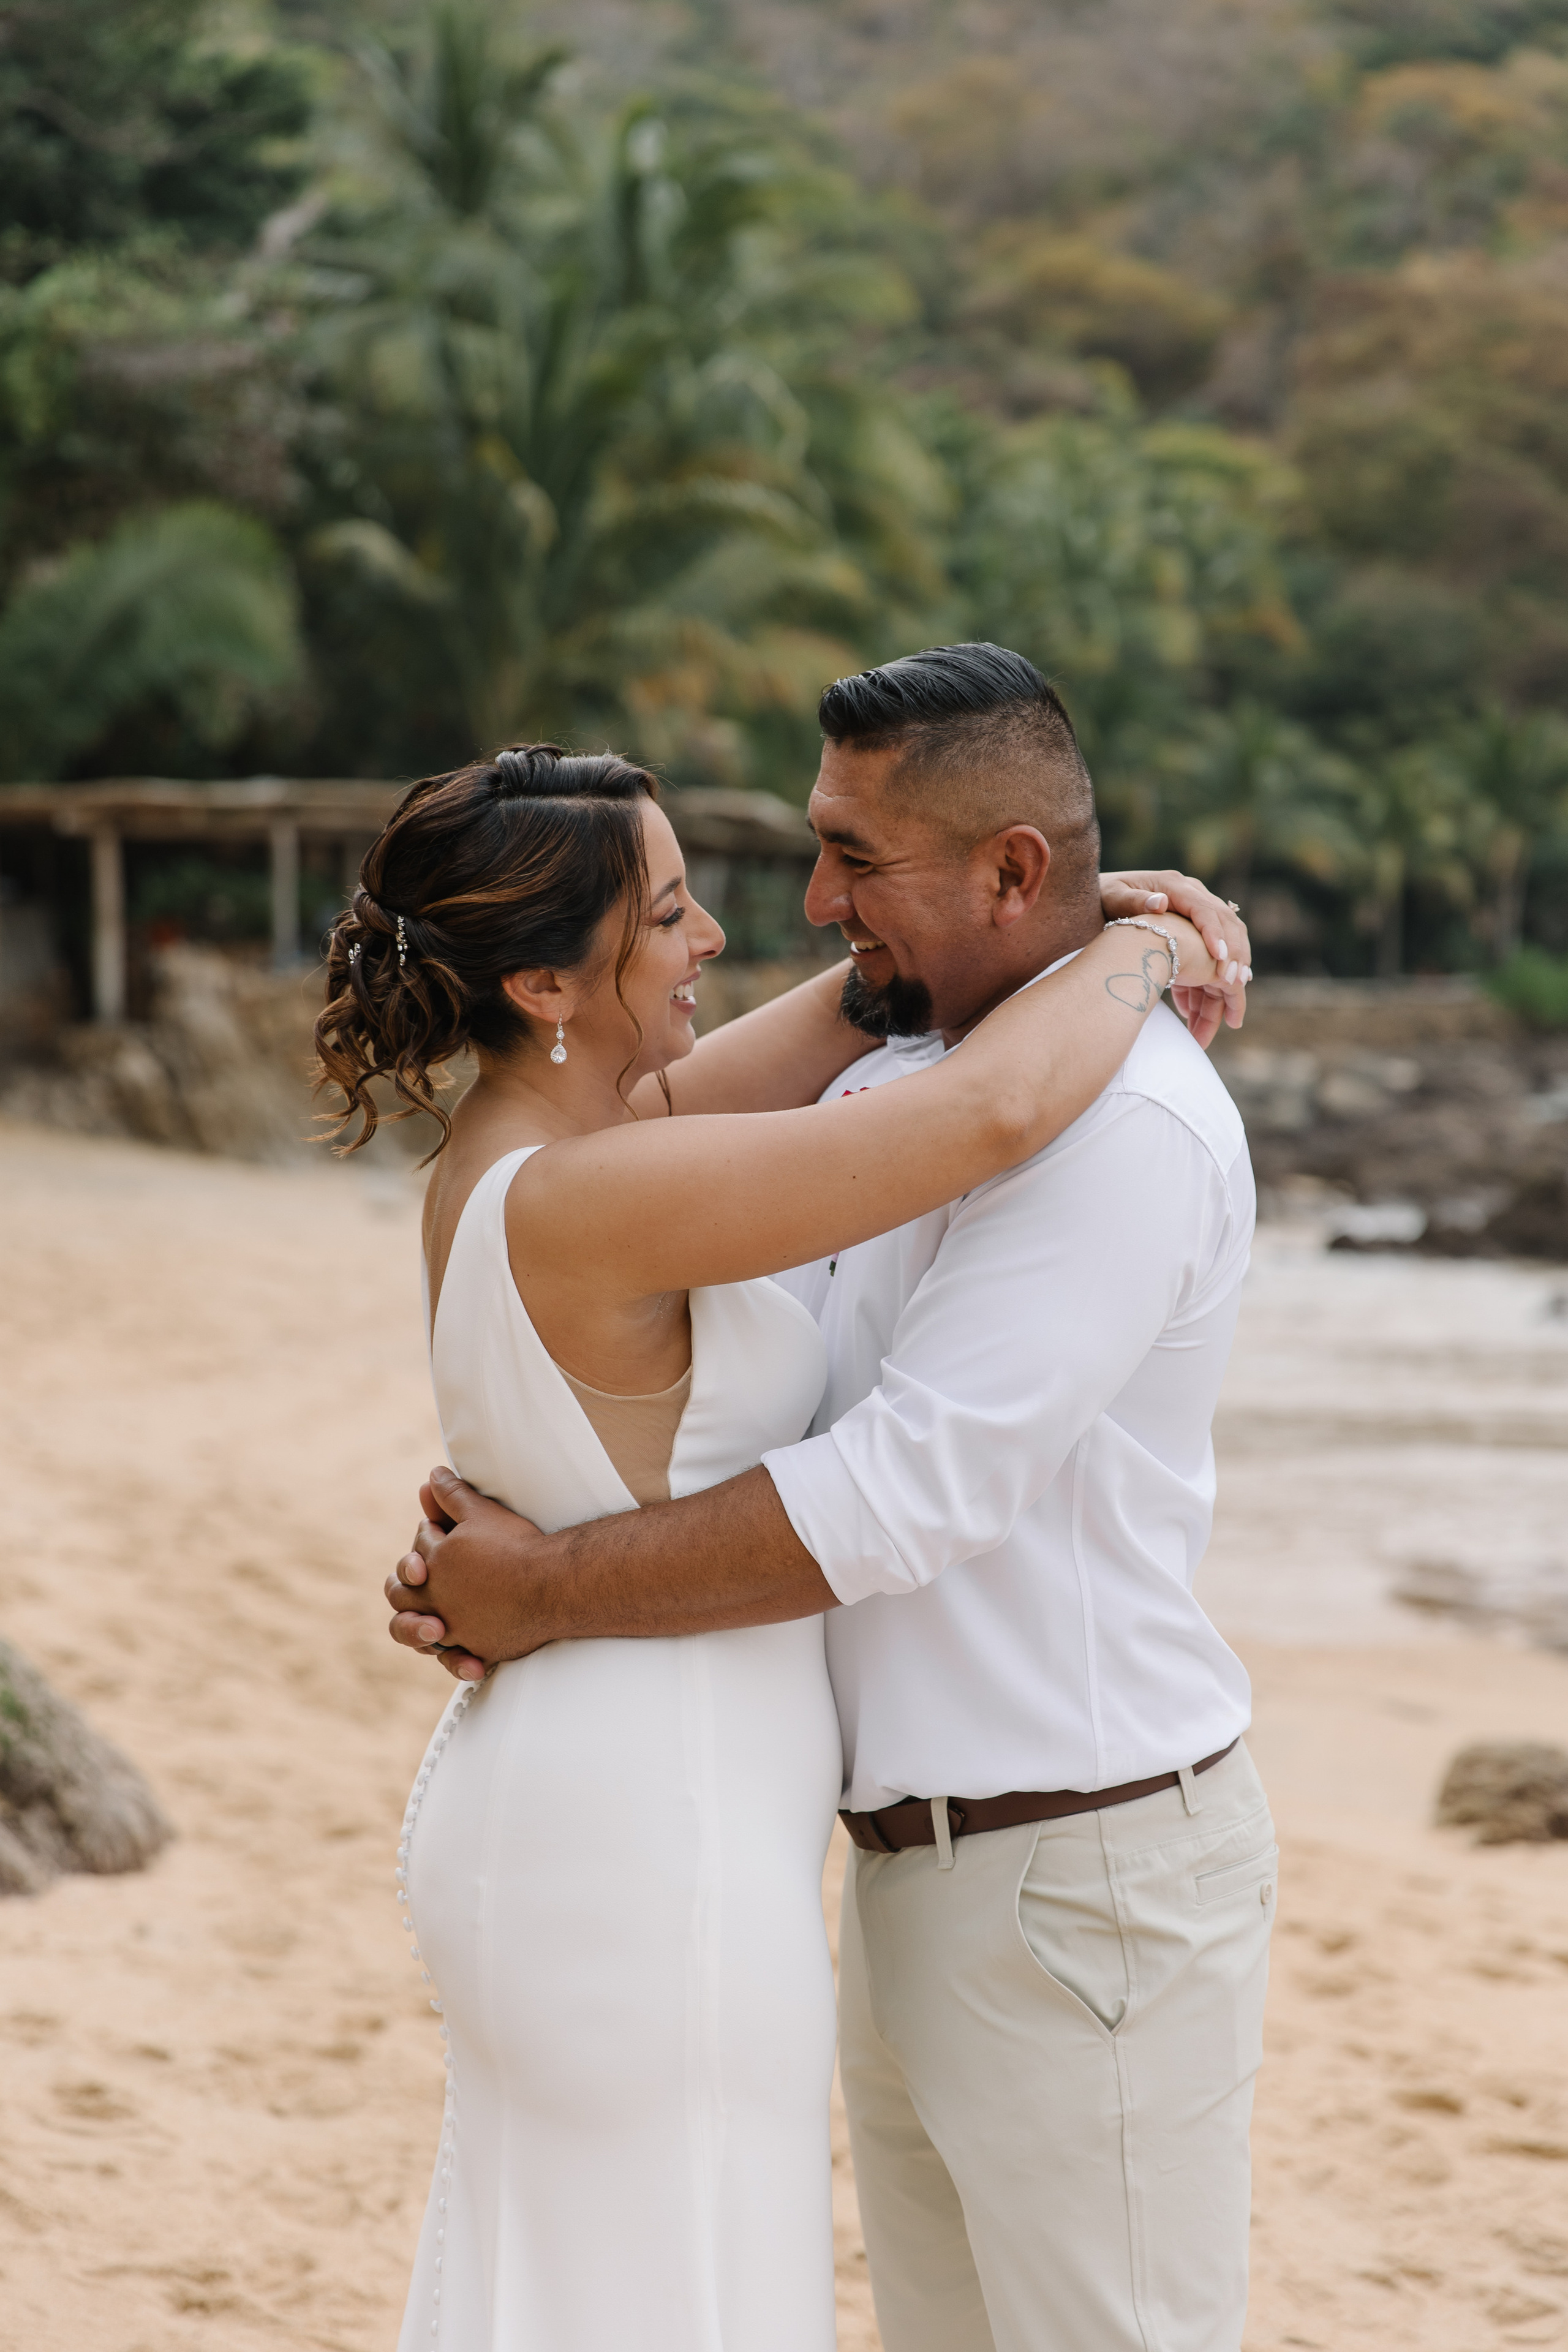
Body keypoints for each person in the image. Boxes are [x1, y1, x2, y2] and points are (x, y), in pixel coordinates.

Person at [314, 702, 1240, 2352]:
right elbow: (977, 1122)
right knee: (675, 2283)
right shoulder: (606, 1185)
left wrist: (1073, 915)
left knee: (589, 2271)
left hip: (600, 1794)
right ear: (542, 985)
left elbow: (873, 1023)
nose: (732, 932)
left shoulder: (547, 1151)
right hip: (642, 1821)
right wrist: (1145, 945)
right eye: (669, 913)